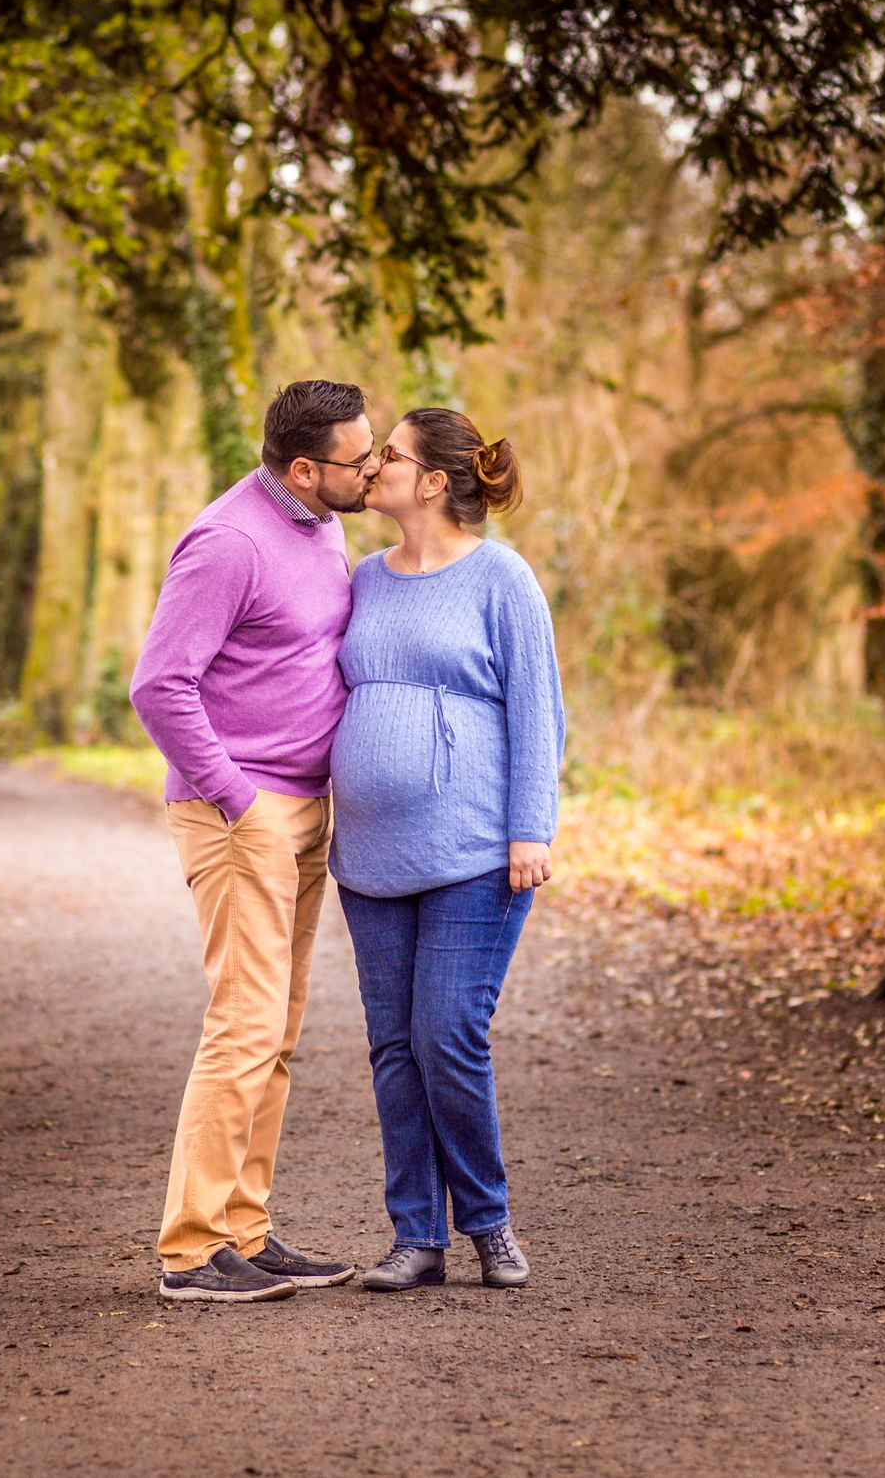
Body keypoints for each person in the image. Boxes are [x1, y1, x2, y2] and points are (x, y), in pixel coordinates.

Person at [128, 380, 382, 1304]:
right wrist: (240, 800)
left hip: (304, 807)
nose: (375, 466)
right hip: (242, 813)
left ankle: (245, 1227)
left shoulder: (322, 522)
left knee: (276, 1030)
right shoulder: (228, 542)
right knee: (243, 1024)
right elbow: (159, 684)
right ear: (305, 467)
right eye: (360, 458)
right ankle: (191, 1253)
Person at [328, 408, 564, 1293]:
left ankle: (490, 1223)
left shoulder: (503, 579)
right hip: (372, 857)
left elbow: (539, 710)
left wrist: (531, 827)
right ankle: (415, 1236)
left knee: (447, 1032)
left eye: (388, 451)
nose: (372, 463)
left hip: (474, 853)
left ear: (432, 481)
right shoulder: (364, 579)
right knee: (393, 1045)